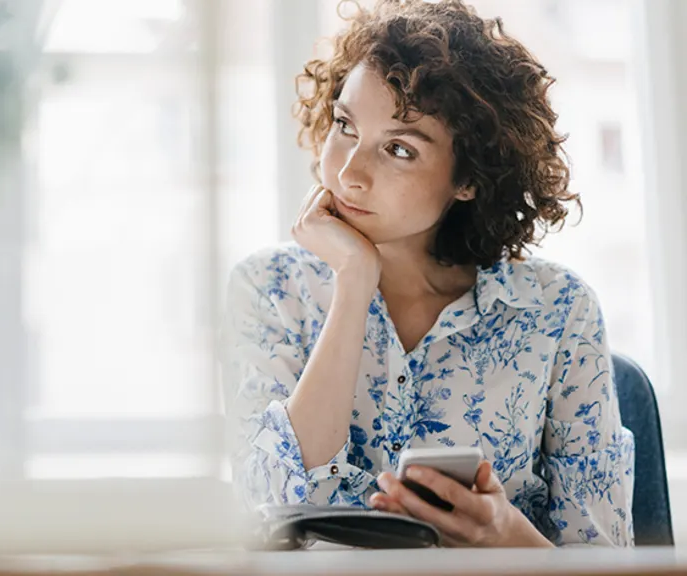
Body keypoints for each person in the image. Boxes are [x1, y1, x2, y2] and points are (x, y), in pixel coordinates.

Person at [222, 0, 634, 548]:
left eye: (397, 149)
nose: (348, 172)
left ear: (468, 177)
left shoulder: (559, 312)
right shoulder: (269, 291)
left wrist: (506, 536)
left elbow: (607, 558)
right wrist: (353, 282)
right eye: (345, 126)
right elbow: (272, 512)